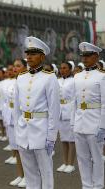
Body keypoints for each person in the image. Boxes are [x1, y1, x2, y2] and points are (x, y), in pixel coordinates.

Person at [14, 36, 60, 189]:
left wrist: (51, 136)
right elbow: (16, 109)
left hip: (41, 130)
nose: (29, 57)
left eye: (33, 54)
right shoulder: (21, 78)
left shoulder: (49, 78)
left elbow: (54, 110)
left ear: (42, 56)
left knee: (46, 172)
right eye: (27, 53)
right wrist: (17, 130)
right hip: (24, 130)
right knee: (30, 173)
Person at [71, 42, 105, 189]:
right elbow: (74, 102)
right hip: (80, 122)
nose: (84, 59)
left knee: (97, 158)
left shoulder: (102, 76)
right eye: (83, 56)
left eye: (88, 55)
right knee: (82, 158)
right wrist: (73, 123)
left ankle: (97, 185)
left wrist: (103, 126)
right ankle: (86, 185)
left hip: (95, 122)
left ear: (96, 56)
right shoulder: (77, 76)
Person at [6, 59, 27, 187]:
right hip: (13, 118)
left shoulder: (26, 82)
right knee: (18, 149)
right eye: (14, 66)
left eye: (18, 66)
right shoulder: (13, 82)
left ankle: (28, 176)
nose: (14, 68)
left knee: (24, 150)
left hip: (24, 120)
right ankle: (20, 175)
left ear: (25, 68)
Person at [56, 61, 76, 173]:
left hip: (70, 110)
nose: (62, 70)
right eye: (61, 68)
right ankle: (65, 162)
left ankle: (71, 163)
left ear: (70, 69)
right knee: (63, 139)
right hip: (60, 111)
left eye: (65, 68)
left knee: (71, 140)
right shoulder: (57, 81)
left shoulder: (74, 81)